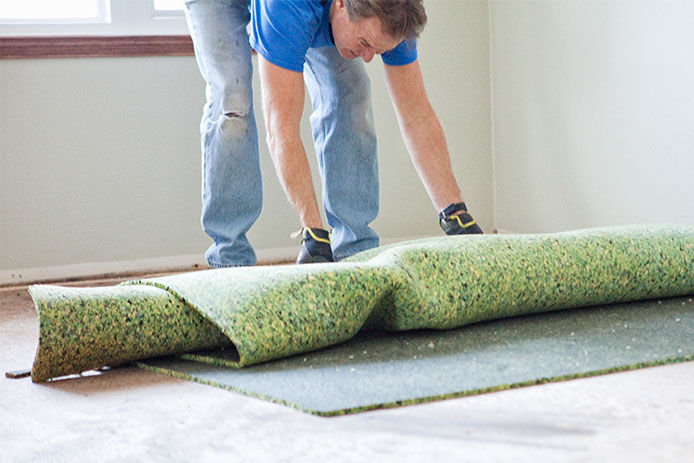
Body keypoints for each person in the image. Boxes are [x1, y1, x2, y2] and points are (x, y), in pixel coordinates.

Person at [183, 0, 482, 267]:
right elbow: (281, 126)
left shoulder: (396, 13)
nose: (367, 57)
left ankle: (354, 251)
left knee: (351, 91)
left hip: (313, 9)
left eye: (377, 50)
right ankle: (229, 258)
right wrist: (313, 230)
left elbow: (417, 116)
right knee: (232, 102)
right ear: (340, 4)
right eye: (364, 42)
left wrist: (455, 213)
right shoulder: (286, 8)